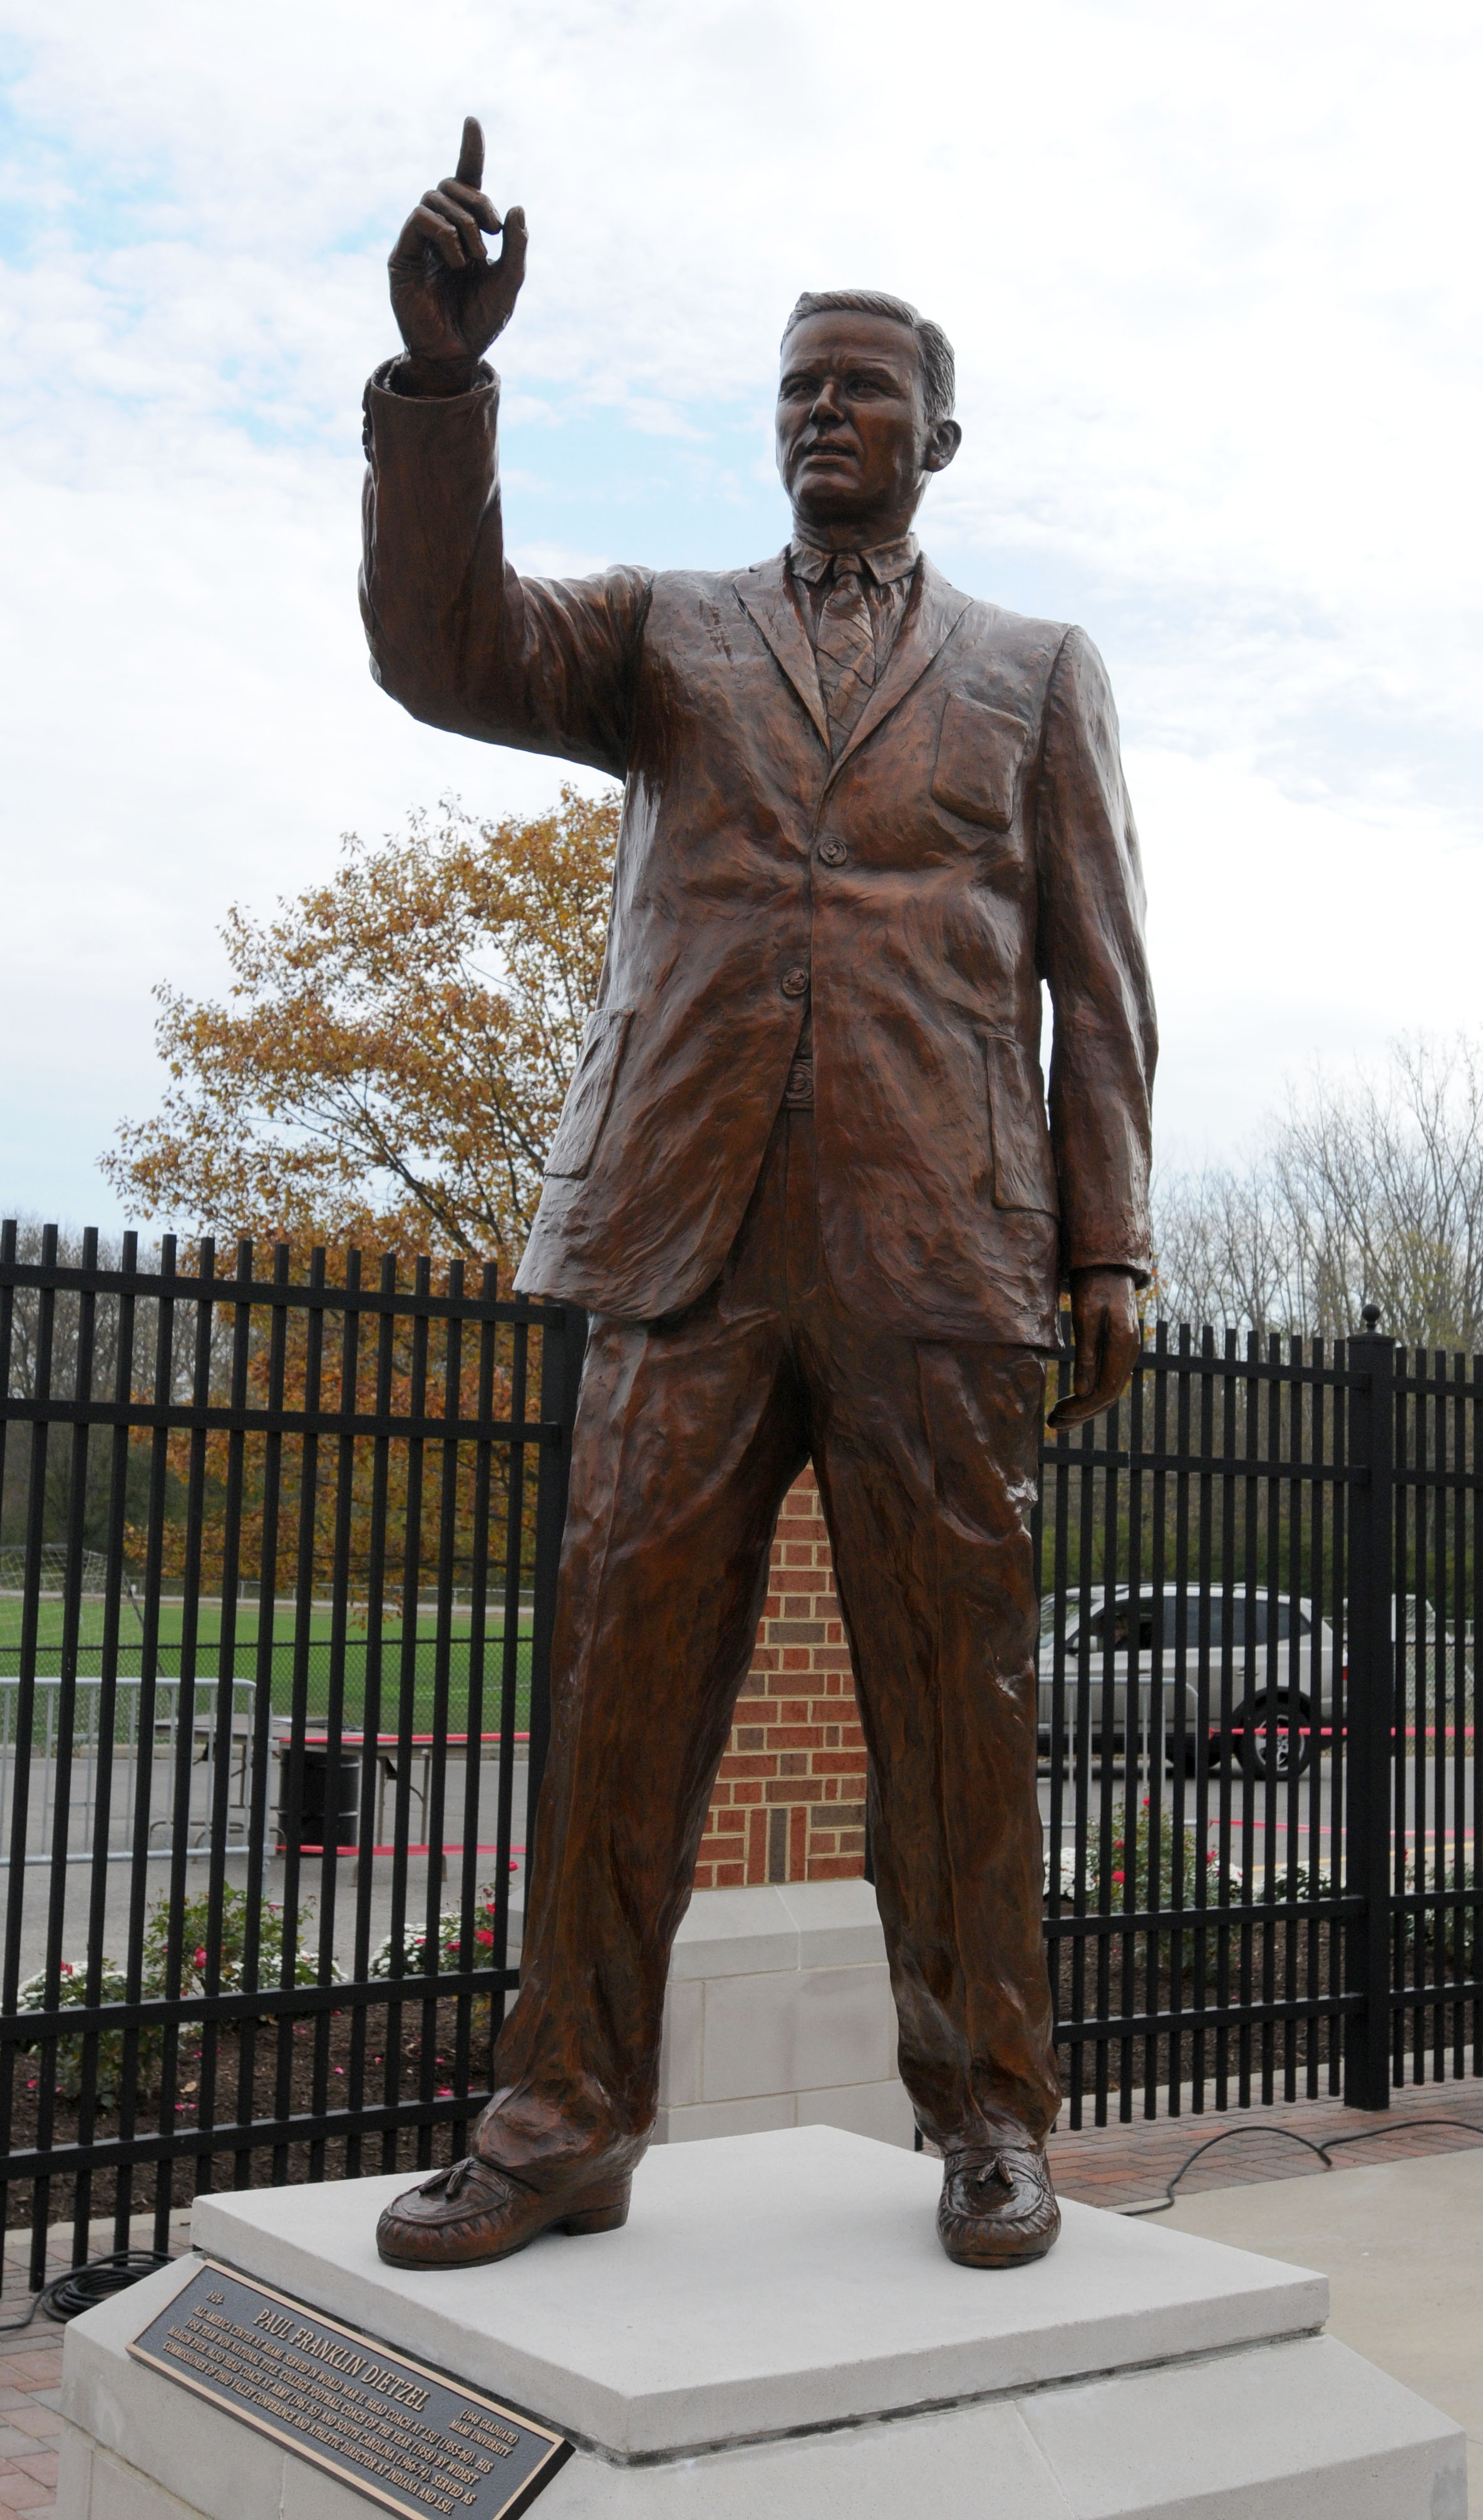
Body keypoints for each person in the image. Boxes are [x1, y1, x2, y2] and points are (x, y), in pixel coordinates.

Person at [363, 118, 1156, 2273]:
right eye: (798, 383)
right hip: (685, 1243)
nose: (824, 410)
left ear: (942, 433)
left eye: (863, 384)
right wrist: (442, 389)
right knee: (619, 1689)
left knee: (958, 1714)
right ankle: (563, 2117)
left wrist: (1104, 1240)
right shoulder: (663, 640)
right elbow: (445, 649)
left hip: (939, 1250)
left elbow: (1100, 979)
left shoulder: (1035, 672)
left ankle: (989, 2113)